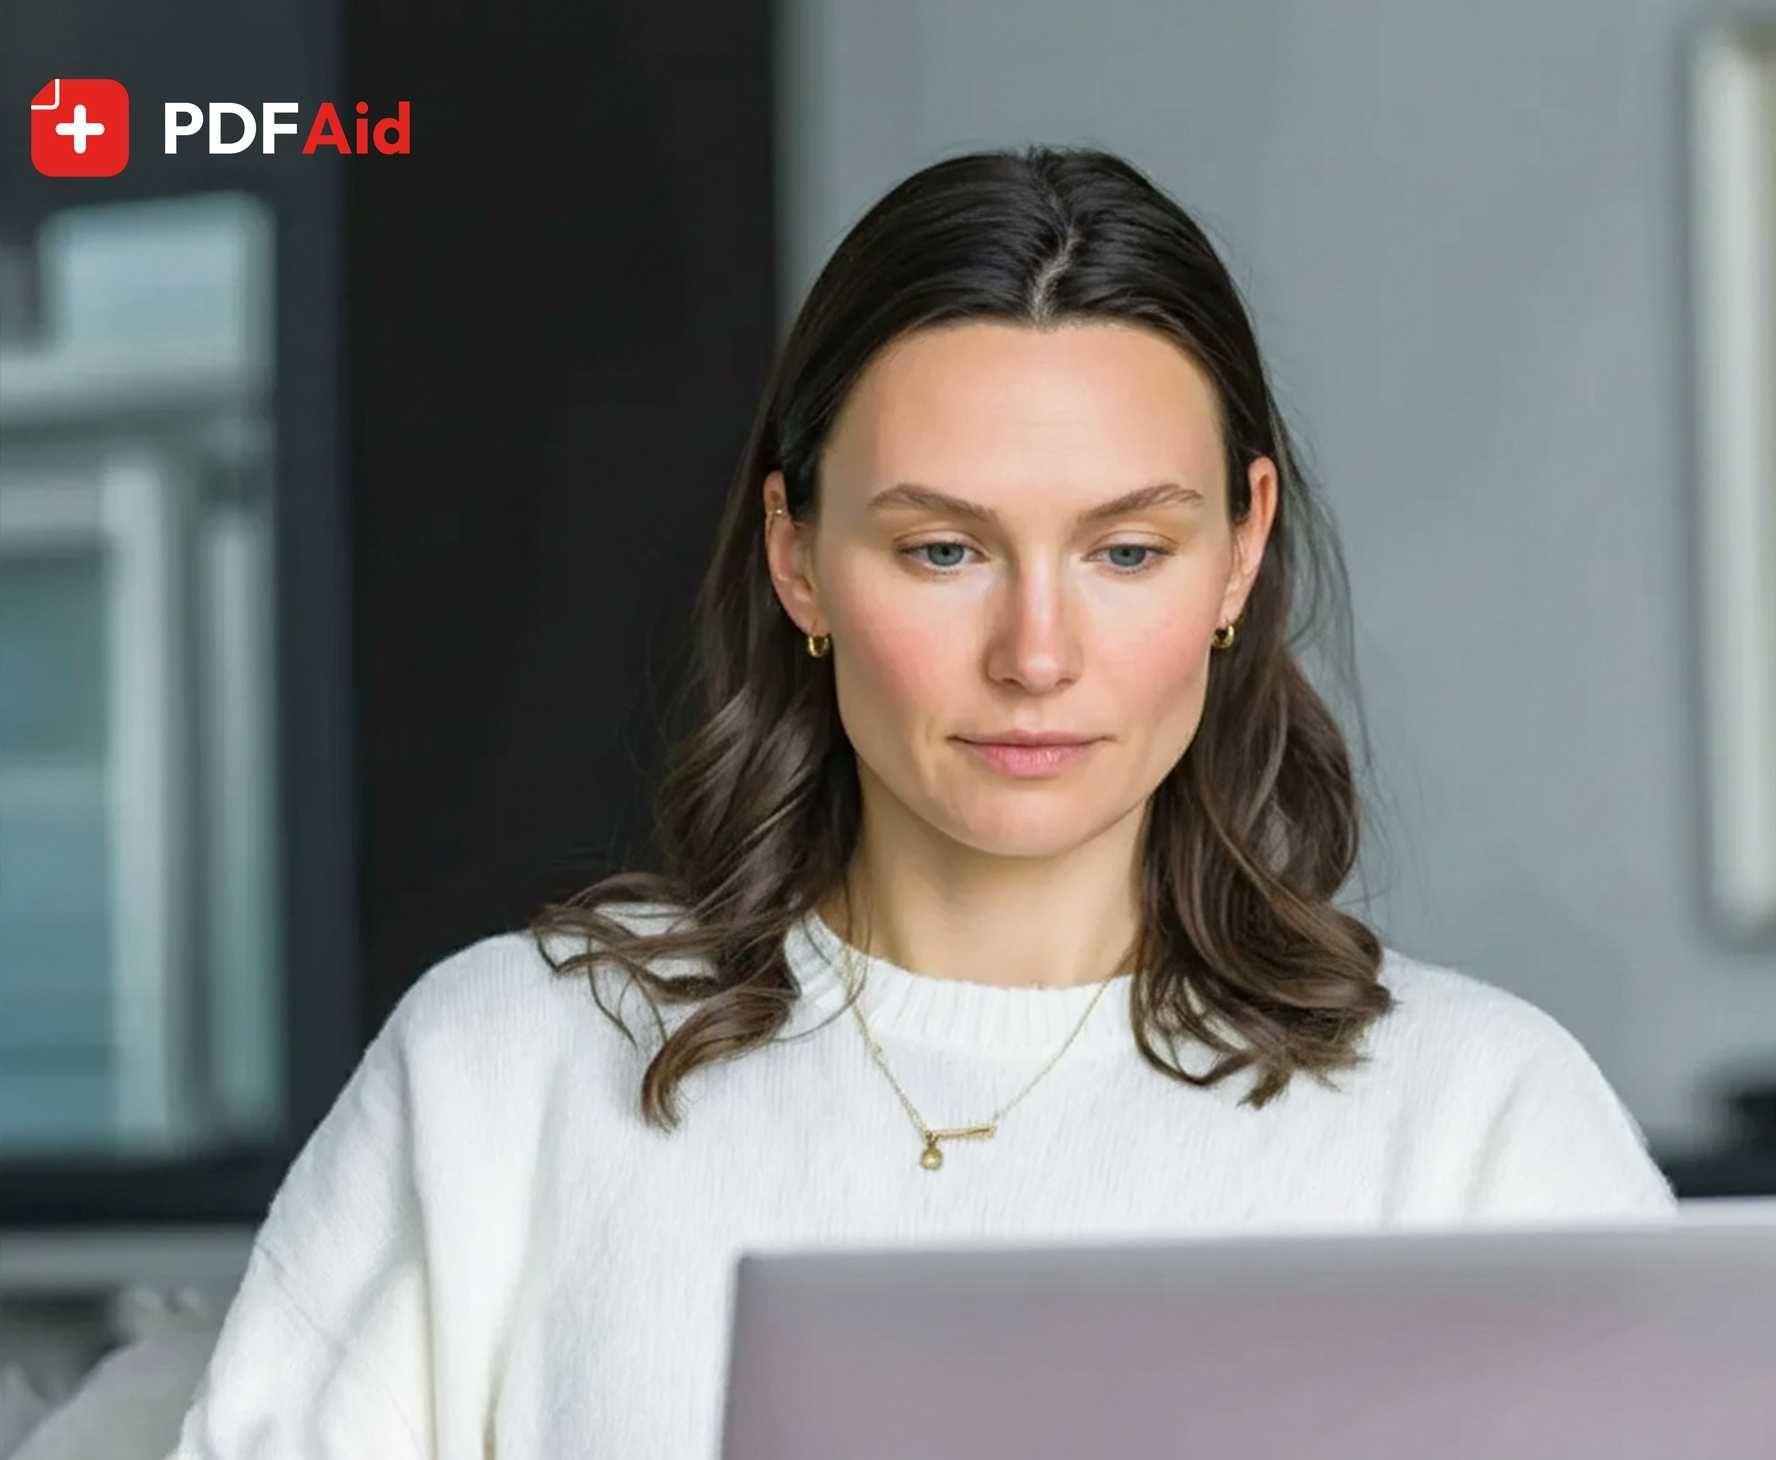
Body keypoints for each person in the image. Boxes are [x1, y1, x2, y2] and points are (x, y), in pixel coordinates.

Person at [170, 144, 1675, 1459]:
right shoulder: (508, 1072)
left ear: (1239, 553)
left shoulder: (1479, 1121)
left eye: (1127, 552)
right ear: (799, 556)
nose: (1035, 654)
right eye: (943, 551)